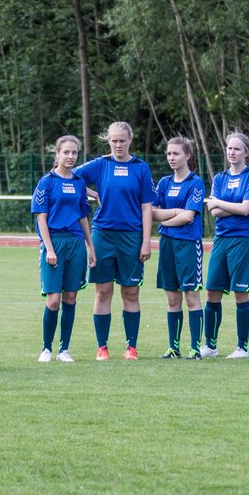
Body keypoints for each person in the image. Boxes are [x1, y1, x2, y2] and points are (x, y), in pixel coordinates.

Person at [74, 121, 156, 360]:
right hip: (103, 235)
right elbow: (68, 175)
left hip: (132, 237)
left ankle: (131, 347)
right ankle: (102, 347)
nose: (118, 144)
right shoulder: (100, 164)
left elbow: (147, 207)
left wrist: (146, 241)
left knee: (130, 292)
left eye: (122, 140)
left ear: (130, 140)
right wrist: (92, 193)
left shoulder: (141, 168)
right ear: (108, 141)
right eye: (113, 140)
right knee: (103, 291)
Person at [31, 135, 96, 362]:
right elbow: (41, 218)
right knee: (54, 300)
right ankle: (46, 348)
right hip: (54, 242)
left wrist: (91, 247)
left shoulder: (79, 183)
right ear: (57, 153)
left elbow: (83, 217)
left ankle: (64, 349)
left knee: (70, 298)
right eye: (66, 152)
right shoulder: (46, 182)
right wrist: (49, 248)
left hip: (76, 244)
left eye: (74, 153)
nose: (70, 156)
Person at [202, 133, 249, 359]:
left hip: (245, 239)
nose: (232, 152)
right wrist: (236, 205)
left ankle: (242, 347)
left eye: (237, 149)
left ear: (246, 152)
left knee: (240, 293)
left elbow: (246, 209)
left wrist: (221, 203)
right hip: (221, 239)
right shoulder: (219, 178)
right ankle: (210, 345)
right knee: (211, 292)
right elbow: (213, 210)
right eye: (229, 148)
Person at [151, 136, 205, 360]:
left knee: (191, 296)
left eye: (176, 154)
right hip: (167, 245)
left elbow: (189, 216)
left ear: (188, 156)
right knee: (172, 298)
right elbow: (154, 212)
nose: (171, 158)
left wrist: (165, 220)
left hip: (188, 244)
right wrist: (174, 214)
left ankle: (195, 348)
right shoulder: (164, 183)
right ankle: (173, 347)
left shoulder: (196, 182)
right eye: (168, 154)